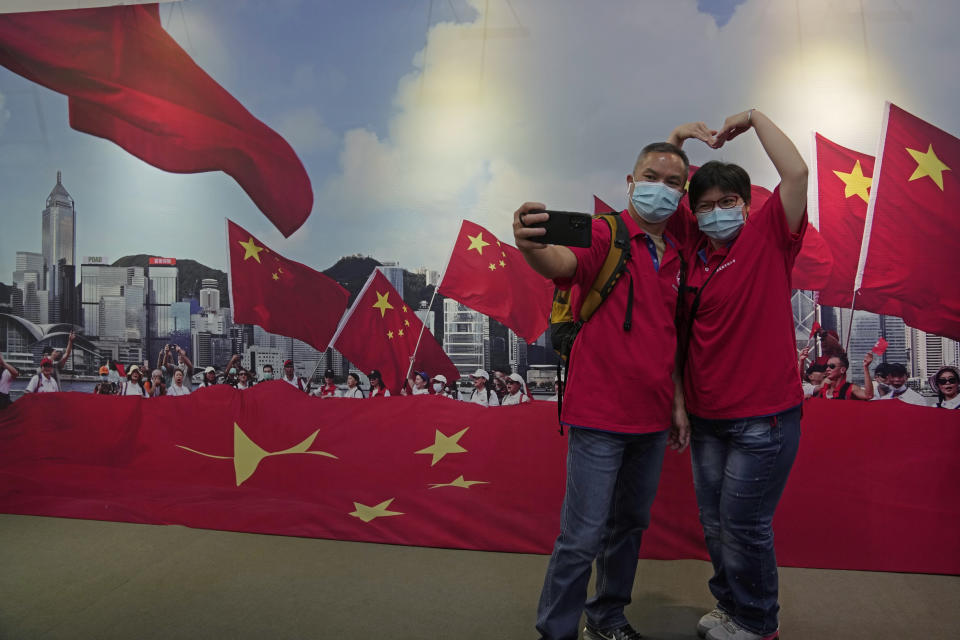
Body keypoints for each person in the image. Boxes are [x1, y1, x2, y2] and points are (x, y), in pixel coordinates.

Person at [514, 136, 693, 640]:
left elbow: (669, 336)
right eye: (651, 178)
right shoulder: (604, 234)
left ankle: (607, 616)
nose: (661, 189)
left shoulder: (679, 251)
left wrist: (678, 403)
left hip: (654, 418)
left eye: (673, 183)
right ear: (631, 183)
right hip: (598, 415)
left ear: (682, 195)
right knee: (582, 535)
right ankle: (557, 630)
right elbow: (563, 265)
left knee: (629, 528)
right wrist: (531, 248)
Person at [667, 109, 821, 640]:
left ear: (748, 204)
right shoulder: (691, 253)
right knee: (715, 526)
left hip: (765, 421)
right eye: (705, 206)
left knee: (745, 526)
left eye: (727, 203)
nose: (715, 213)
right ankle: (732, 606)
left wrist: (754, 118)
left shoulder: (769, 237)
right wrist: (676, 139)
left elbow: (797, 174)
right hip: (707, 418)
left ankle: (758, 623)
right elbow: (663, 190)